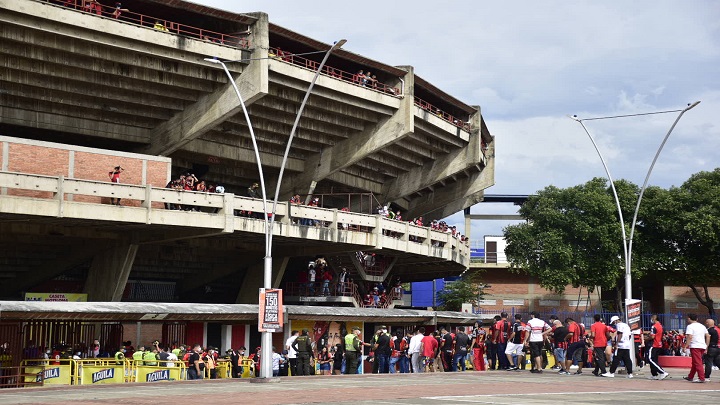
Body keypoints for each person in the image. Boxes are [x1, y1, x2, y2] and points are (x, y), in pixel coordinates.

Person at [683, 313, 709, 383]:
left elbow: (690, 337)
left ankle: (701, 378)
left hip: (695, 346)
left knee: (698, 362)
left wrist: (686, 346)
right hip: (702, 345)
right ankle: (690, 376)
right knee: (696, 362)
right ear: (697, 319)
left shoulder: (690, 326)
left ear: (689, 318)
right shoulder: (702, 326)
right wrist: (706, 346)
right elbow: (708, 336)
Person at [646, 314, 669, 380]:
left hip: (653, 344)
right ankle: (654, 374)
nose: (651, 319)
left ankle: (662, 372)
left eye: (652, 318)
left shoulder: (654, 326)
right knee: (655, 360)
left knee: (650, 359)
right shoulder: (661, 326)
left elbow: (652, 336)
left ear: (655, 318)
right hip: (659, 344)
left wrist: (646, 339)